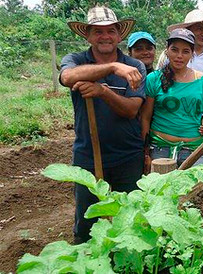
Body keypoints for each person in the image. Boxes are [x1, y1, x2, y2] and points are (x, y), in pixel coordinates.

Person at [59, 6, 145, 244]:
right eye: (97, 31)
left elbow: (131, 110)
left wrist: (101, 92)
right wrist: (112, 68)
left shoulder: (135, 67)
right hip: (88, 155)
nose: (105, 36)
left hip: (127, 155)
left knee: (128, 221)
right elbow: (67, 77)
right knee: (87, 221)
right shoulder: (76, 61)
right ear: (87, 36)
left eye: (110, 31)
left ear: (119, 35)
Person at [141, 28, 203, 166]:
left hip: (194, 152)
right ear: (167, 50)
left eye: (185, 51)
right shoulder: (154, 79)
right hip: (160, 151)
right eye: (175, 50)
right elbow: (145, 117)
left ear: (192, 54)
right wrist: (145, 152)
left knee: (194, 188)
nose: (179, 56)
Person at [157, 10, 203, 118]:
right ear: (188, 30)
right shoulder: (168, 56)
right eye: (199, 29)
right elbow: (158, 85)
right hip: (176, 116)